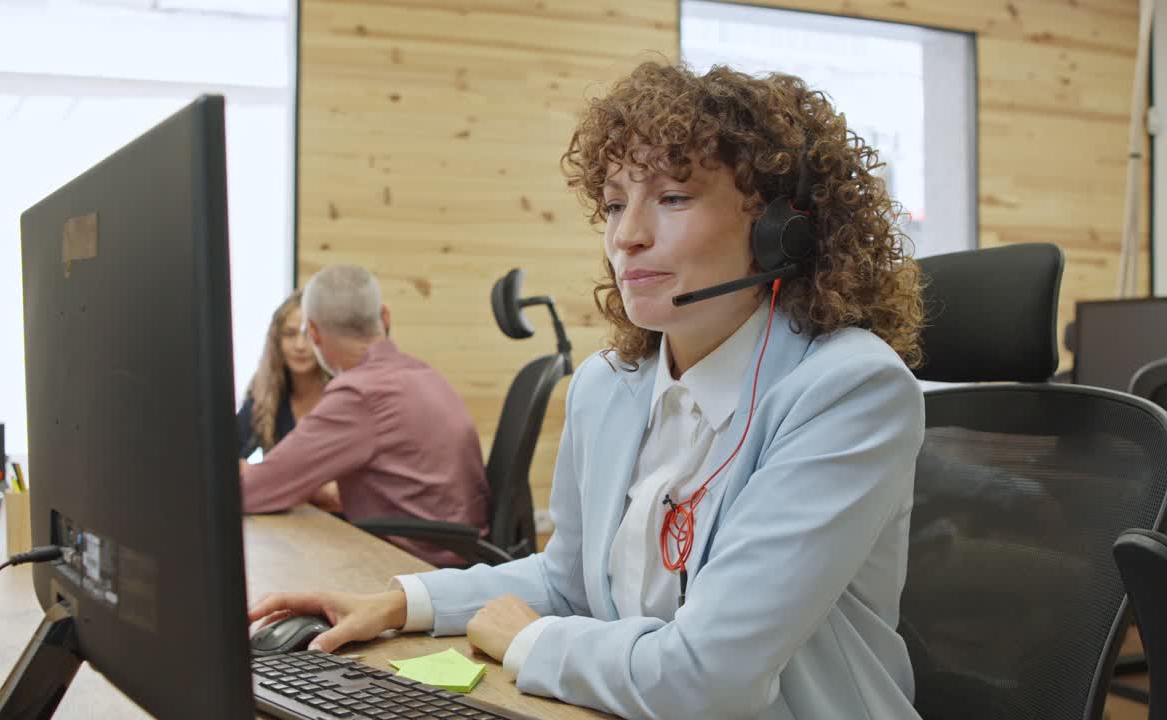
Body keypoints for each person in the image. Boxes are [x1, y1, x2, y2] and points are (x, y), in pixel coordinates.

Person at [250, 62, 927, 720]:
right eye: (612, 203)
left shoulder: (847, 391)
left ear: (785, 230)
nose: (626, 237)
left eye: (673, 197)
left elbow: (711, 676)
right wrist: (401, 602)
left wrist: (531, 641)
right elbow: (565, 583)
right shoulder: (609, 386)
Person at [238, 264, 490, 568]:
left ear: (314, 333)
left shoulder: (358, 395)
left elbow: (250, 493)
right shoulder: (424, 375)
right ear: (385, 317)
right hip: (464, 556)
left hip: (415, 567)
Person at [237, 290, 329, 459]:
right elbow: (223, 458)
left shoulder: (343, 392)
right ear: (276, 341)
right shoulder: (265, 395)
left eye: (309, 335)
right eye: (290, 334)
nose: (300, 346)